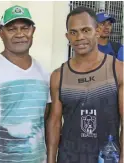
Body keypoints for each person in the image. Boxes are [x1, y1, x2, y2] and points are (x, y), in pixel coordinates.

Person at [0, 5, 51, 163]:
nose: (20, 34)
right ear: (1, 33)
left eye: (25, 28)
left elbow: (44, 118)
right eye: (12, 29)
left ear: (33, 31)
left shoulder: (43, 73)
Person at [46, 6, 123, 163]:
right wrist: (50, 159)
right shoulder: (58, 76)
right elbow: (54, 122)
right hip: (69, 157)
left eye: (86, 30)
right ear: (67, 36)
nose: (79, 37)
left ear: (97, 30)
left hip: (107, 158)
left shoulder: (118, 70)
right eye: (73, 32)